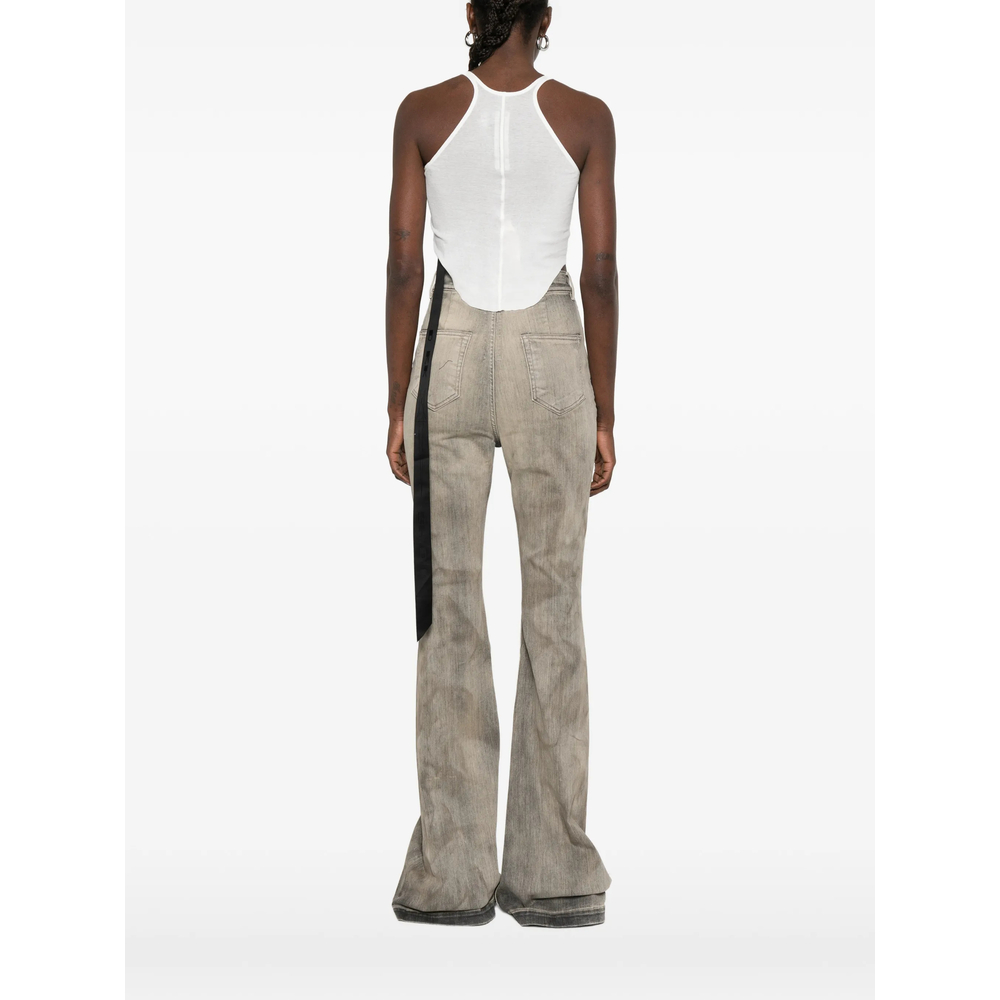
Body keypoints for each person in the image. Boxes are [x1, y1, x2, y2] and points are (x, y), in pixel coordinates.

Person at [384, 0, 618, 928]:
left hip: (448, 350)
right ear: (546, 14)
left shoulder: (422, 112)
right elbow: (599, 270)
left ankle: (450, 877)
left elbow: (405, 264)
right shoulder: (588, 117)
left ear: (475, 11)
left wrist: (396, 399)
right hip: (553, 349)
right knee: (554, 607)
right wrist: (605, 409)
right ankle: (554, 875)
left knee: (448, 609)